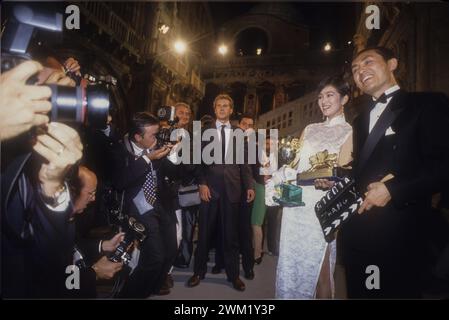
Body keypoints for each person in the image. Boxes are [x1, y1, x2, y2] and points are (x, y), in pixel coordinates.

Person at [340, 46, 449, 298]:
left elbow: (443, 165)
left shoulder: (427, 104)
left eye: (368, 62)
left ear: (392, 64)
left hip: (402, 233)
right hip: (359, 231)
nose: (360, 71)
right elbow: (361, 170)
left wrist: (393, 189)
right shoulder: (359, 120)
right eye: (355, 69)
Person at [266, 76, 352, 299]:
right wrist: (279, 177)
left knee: (321, 270)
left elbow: (345, 173)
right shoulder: (310, 128)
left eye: (330, 95)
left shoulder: (350, 132)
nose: (323, 101)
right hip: (297, 205)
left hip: (322, 206)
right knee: (293, 263)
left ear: (345, 99)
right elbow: (296, 166)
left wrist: (334, 182)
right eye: (321, 96)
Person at [187, 94, 255, 291]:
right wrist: (201, 183)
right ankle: (198, 272)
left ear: (231, 110)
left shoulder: (239, 133)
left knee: (230, 235)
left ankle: (233, 275)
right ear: (214, 109)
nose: (223, 109)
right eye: (219, 106)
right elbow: (197, 162)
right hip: (210, 189)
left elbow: (245, 163)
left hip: (233, 190)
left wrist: (249, 185)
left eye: (226, 106)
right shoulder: (203, 132)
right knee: (205, 234)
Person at [112, 112, 177, 298]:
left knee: (171, 250)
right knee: (155, 257)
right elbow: (120, 181)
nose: (156, 138)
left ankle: (152, 288)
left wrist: (173, 156)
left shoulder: (157, 146)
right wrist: (148, 158)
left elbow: (176, 174)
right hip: (136, 208)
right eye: (152, 135)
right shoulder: (119, 150)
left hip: (160, 204)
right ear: (138, 137)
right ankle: (128, 296)